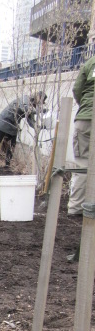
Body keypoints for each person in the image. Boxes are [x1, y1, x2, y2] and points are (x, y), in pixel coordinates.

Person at [0, 93, 47, 173]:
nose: (39, 105)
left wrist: (42, 126)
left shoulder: (31, 107)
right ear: (38, 98)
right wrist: (40, 111)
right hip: (4, 121)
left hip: (13, 125)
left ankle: (7, 165)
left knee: (12, 144)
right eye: (39, 103)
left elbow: (31, 122)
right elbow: (25, 109)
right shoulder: (25, 99)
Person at [68, 54, 95, 216]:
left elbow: (77, 89)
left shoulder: (90, 62)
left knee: (82, 163)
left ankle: (76, 207)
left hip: (85, 119)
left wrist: (85, 105)